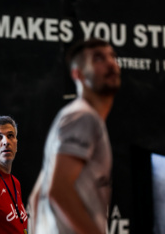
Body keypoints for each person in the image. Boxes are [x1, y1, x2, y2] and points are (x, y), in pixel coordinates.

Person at [28, 38, 121, 234]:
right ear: (77, 74)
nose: (111, 63)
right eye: (98, 59)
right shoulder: (83, 117)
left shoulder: (74, 115)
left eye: (112, 56)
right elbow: (59, 190)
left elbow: (37, 196)